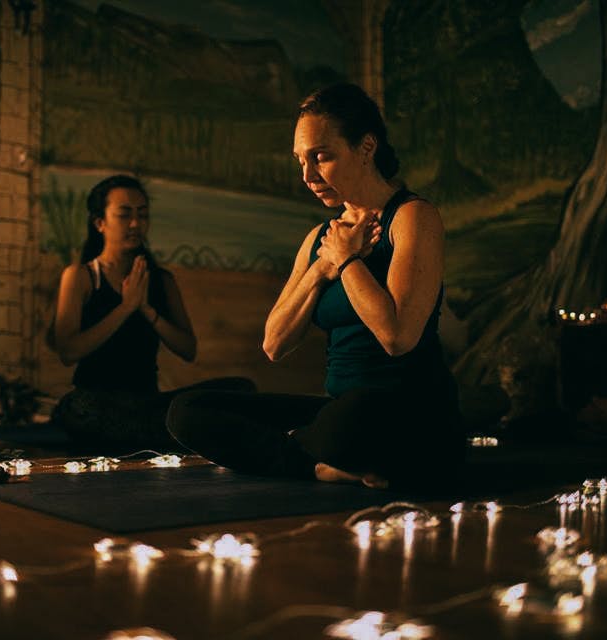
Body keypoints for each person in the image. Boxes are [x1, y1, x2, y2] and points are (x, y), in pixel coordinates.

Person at [166, 84, 463, 489]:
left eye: (321, 157)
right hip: (339, 411)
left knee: (351, 419)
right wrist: (322, 268)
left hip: (404, 411)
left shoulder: (413, 218)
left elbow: (397, 336)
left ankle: (316, 452)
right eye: (300, 161)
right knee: (188, 411)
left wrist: (348, 261)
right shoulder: (320, 239)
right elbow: (274, 344)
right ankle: (318, 463)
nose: (307, 176)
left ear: (366, 147)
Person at [49, 175, 254, 453]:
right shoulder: (82, 277)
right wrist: (125, 308)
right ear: (100, 223)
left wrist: (146, 309)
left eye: (142, 215)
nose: (135, 224)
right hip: (97, 402)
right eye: (124, 215)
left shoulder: (160, 280)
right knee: (80, 408)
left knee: (239, 389)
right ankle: (169, 436)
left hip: (147, 404)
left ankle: (160, 433)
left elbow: (188, 349)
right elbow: (68, 351)